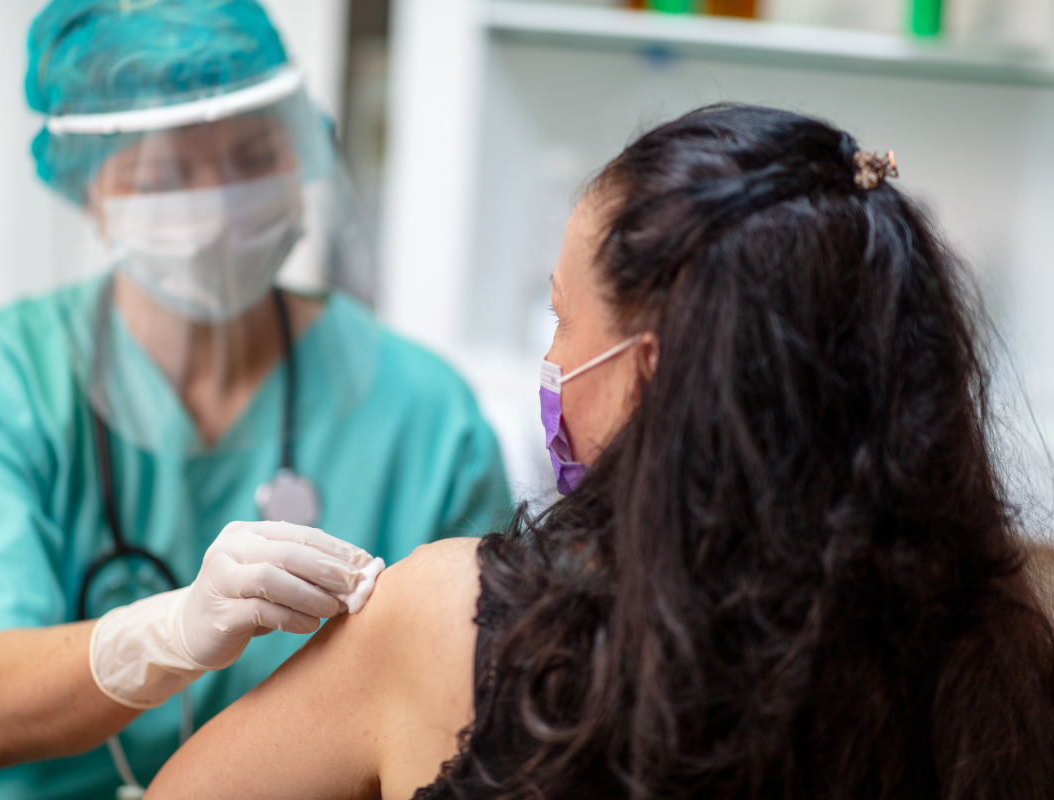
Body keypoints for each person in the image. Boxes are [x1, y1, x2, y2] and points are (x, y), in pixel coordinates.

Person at [146, 104, 1054, 800]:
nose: (552, 363)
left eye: (562, 319)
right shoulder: (1001, 659)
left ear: (646, 372)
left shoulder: (451, 622)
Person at [0, 2, 511, 798]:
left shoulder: (425, 412)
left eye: (253, 156)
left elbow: (474, 689)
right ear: (88, 191)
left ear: (301, 149)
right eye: (165, 175)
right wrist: (171, 632)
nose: (217, 203)